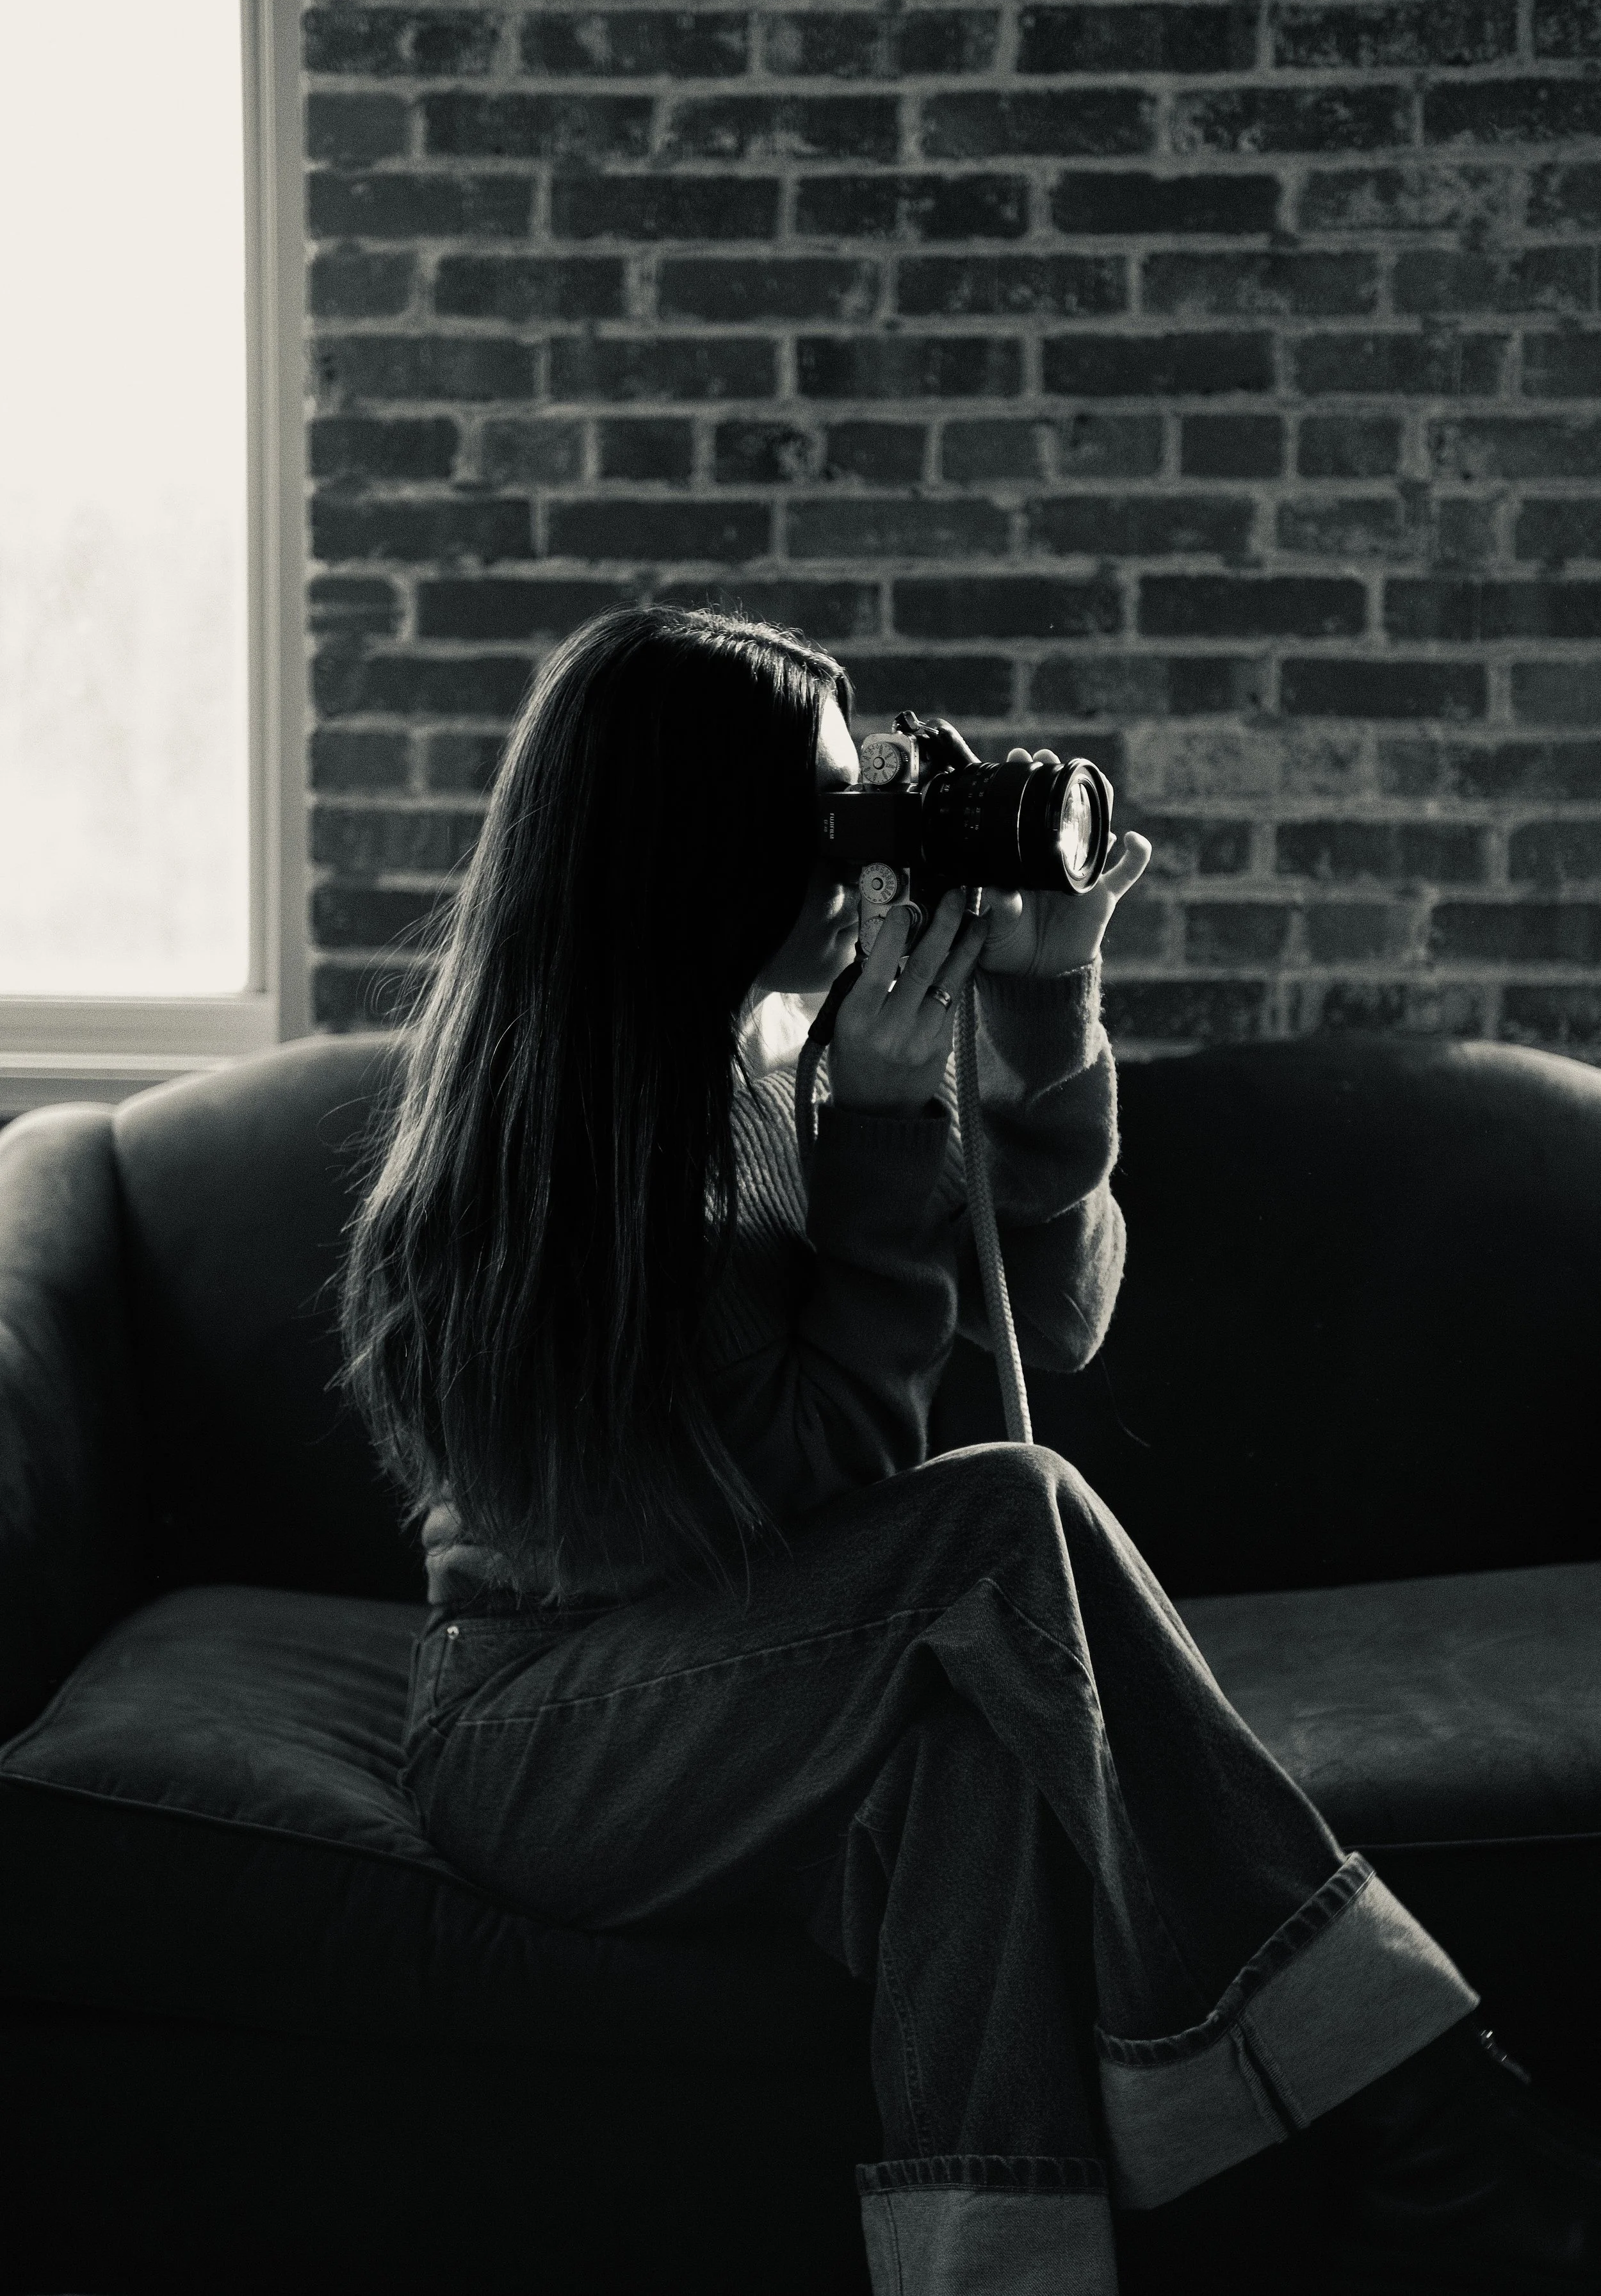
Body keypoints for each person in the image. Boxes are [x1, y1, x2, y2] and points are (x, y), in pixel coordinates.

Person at [341, 605, 1601, 2296]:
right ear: (699, 842)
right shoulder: (554, 1152)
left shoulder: (766, 1070)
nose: (857, 855)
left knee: (971, 1776)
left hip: (749, 1682)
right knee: (1008, 1517)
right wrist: (878, 1135)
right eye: (823, 813)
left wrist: (1041, 1011)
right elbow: (823, 1485)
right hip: (551, 1733)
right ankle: (1447, 2126)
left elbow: (1056, 1323)